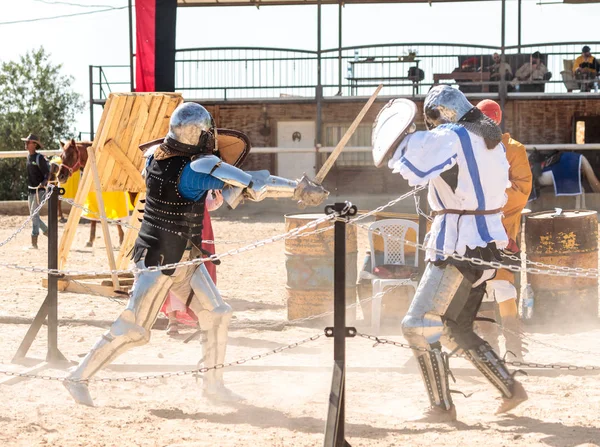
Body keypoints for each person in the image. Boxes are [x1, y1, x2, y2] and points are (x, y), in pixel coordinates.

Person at [63, 102, 328, 407]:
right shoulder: (196, 167)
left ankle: (212, 386)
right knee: (134, 330)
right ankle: (76, 377)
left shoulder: (154, 157)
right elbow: (256, 183)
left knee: (216, 314)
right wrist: (298, 187)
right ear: (201, 135)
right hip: (160, 261)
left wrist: (234, 188)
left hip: (181, 256)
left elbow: (215, 191)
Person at [375, 85, 528, 422]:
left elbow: (409, 159)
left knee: (417, 324)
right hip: (486, 244)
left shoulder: (452, 135)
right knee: (454, 326)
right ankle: (509, 389)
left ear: (440, 115)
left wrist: (403, 132)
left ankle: (441, 407)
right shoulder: (492, 141)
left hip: (458, 244)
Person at [475, 100, 532, 361]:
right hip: (472, 227)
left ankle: (514, 348)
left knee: (503, 283)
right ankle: (488, 348)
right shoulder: (471, 147)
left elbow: (521, 190)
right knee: (479, 285)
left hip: (503, 228)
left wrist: (490, 200)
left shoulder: (514, 149)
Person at [164, 190, 223, 336]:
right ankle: (172, 320)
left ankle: (200, 318)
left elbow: (206, 204)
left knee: (199, 272)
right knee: (173, 269)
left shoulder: (202, 174)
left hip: (200, 226)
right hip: (174, 222)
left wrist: (217, 201)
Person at [23, 133, 49, 249]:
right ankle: (49, 233)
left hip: (40, 191)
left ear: (34, 145)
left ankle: (34, 241)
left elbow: (47, 173)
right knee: (33, 215)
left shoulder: (39, 158)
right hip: (31, 190)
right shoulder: (28, 157)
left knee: (34, 215)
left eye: (28, 142)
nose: (26, 144)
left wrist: (43, 183)